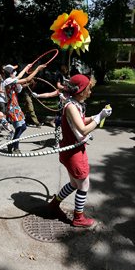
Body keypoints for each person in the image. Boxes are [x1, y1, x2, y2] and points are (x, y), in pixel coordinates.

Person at [47, 74, 112, 227]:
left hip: (70, 151)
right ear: (80, 90)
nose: (90, 93)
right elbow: (83, 130)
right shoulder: (71, 106)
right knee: (83, 185)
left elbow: (81, 121)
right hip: (74, 153)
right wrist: (99, 117)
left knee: (74, 184)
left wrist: (97, 116)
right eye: (88, 89)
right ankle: (78, 218)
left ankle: (54, 204)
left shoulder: (74, 104)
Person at [3, 63, 46, 154]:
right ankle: (15, 148)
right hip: (12, 108)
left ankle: (12, 144)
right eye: (13, 71)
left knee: (23, 127)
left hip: (16, 107)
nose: (15, 72)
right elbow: (26, 79)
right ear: (10, 73)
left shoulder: (11, 80)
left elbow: (19, 76)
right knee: (19, 128)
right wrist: (37, 69)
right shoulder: (7, 81)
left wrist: (26, 67)